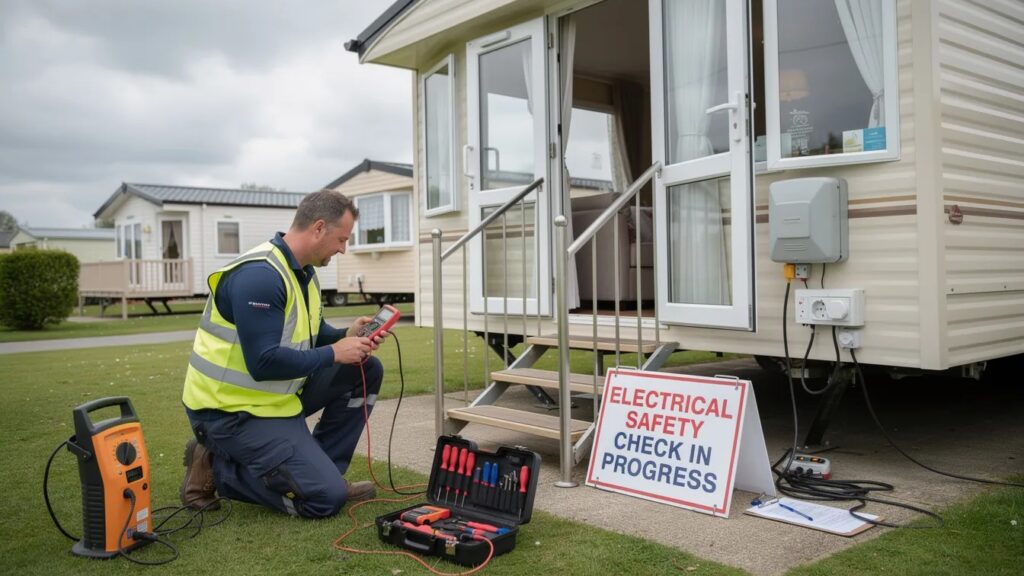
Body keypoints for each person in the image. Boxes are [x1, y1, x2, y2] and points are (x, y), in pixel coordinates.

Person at [180, 189, 386, 519]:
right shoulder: (260, 277)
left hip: (274, 401)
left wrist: (346, 337)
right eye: (341, 239)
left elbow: (311, 336)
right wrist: (335, 352)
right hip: (227, 412)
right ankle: (216, 466)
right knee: (324, 501)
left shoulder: (303, 273)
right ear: (318, 227)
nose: (343, 249)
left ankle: (325, 471)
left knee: (366, 368)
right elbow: (263, 363)